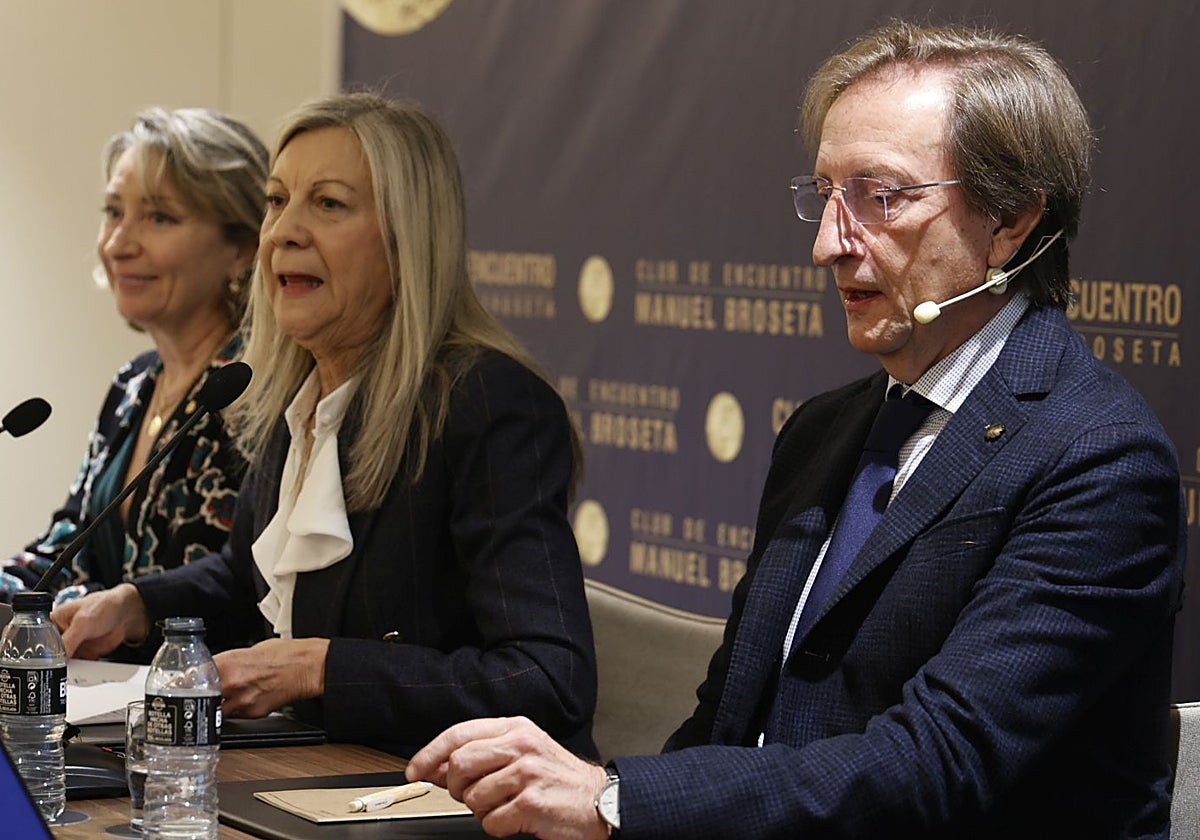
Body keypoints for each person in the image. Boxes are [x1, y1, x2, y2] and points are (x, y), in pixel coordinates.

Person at [404, 21, 1186, 839]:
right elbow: (728, 722)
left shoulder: (1097, 458)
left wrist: (612, 801)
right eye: (824, 196)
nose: (826, 245)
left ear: (1012, 220)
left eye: (881, 197)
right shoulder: (823, 430)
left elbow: (941, 764)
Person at [53, 93, 598, 758]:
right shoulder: (301, 393)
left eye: (329, 204)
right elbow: (246, 577)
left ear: (407, 239)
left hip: (438, 803)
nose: (283, 232)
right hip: (304, 780)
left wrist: (321, 669)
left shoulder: (488, 403)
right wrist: (136, 604)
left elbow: (547, 680)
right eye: (276, 201)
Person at [2, 109, 265, 637]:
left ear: (241, 248)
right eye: (113, 211)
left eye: (159, 217)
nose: (119, 242)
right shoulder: (134, 385)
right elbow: (63, 552)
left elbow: (243, 588)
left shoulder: (256, 390)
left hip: (206, 704)